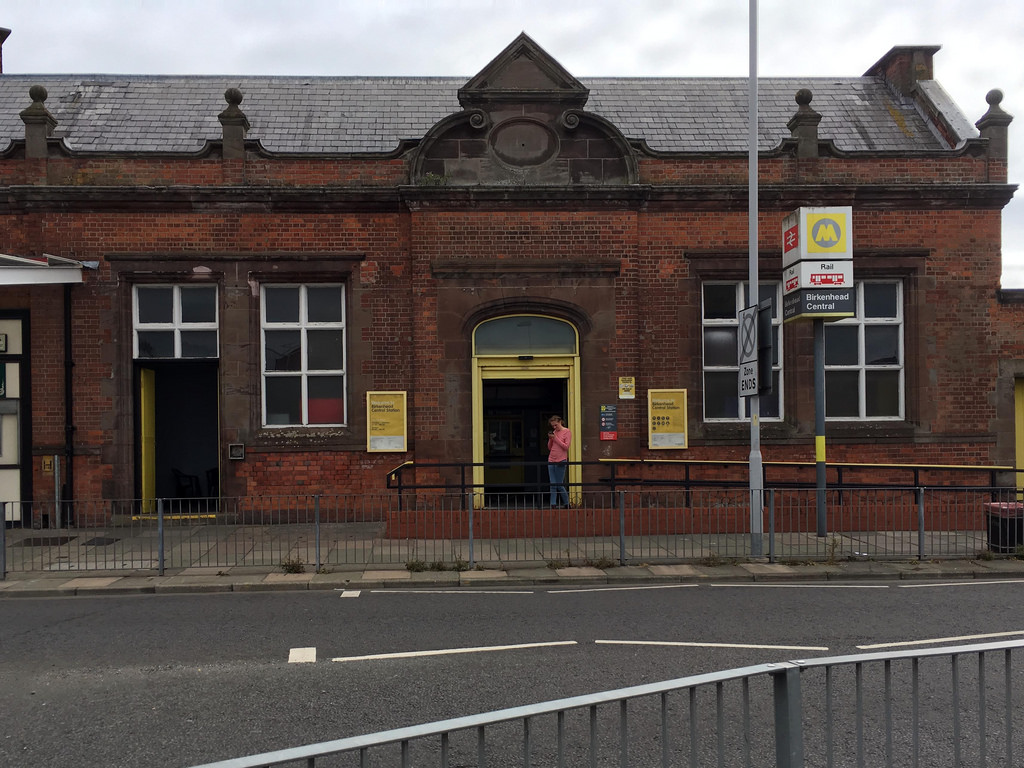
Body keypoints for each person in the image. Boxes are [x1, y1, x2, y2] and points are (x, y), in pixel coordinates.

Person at [546, 415, 572, 508]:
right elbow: (549, 447)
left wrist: (555, 438)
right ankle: (553, 504)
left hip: (561, 459)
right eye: (553, 426)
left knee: (559, 483)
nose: (554, 427)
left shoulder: (567, 432)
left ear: (560, 422)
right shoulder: (554, 432)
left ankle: (566, 502)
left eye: (555, 425)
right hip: (551, 459)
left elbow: (566, 446)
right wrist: (550, 439)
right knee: (552, 483)